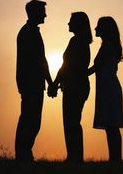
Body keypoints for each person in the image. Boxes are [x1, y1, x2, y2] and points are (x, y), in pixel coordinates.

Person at [48, 12, 92, 163]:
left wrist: (54, 83)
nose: (68, 24)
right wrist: (56, 82)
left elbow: (67, 65)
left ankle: (75, 157)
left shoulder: (76, 41)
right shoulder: (81, 41)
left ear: (78, 24)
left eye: (71, 21)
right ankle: (74, 156)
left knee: (71, 122)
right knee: (73, 122)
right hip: (77, 85)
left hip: (75, 86)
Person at [15, 0, 53, 162]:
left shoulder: (29, 31)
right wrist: (51, 82)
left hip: (31, 82)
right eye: (42, 11)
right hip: (31, 83)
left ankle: (24, 154)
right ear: (34, 12)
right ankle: (23, 155)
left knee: (30, 119)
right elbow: (40, 60)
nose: (45, 14)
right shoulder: (29, 32)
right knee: (31, 120)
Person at [88, 16, 123, 163]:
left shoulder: (108, 46)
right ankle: (115, 158)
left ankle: (116, 159)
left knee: (112, 125)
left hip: (109, 88)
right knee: (111, 125)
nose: (95, 29)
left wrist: (76, 75)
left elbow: (96, 67)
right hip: (107, 87)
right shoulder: (109, 45)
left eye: (98, 26)